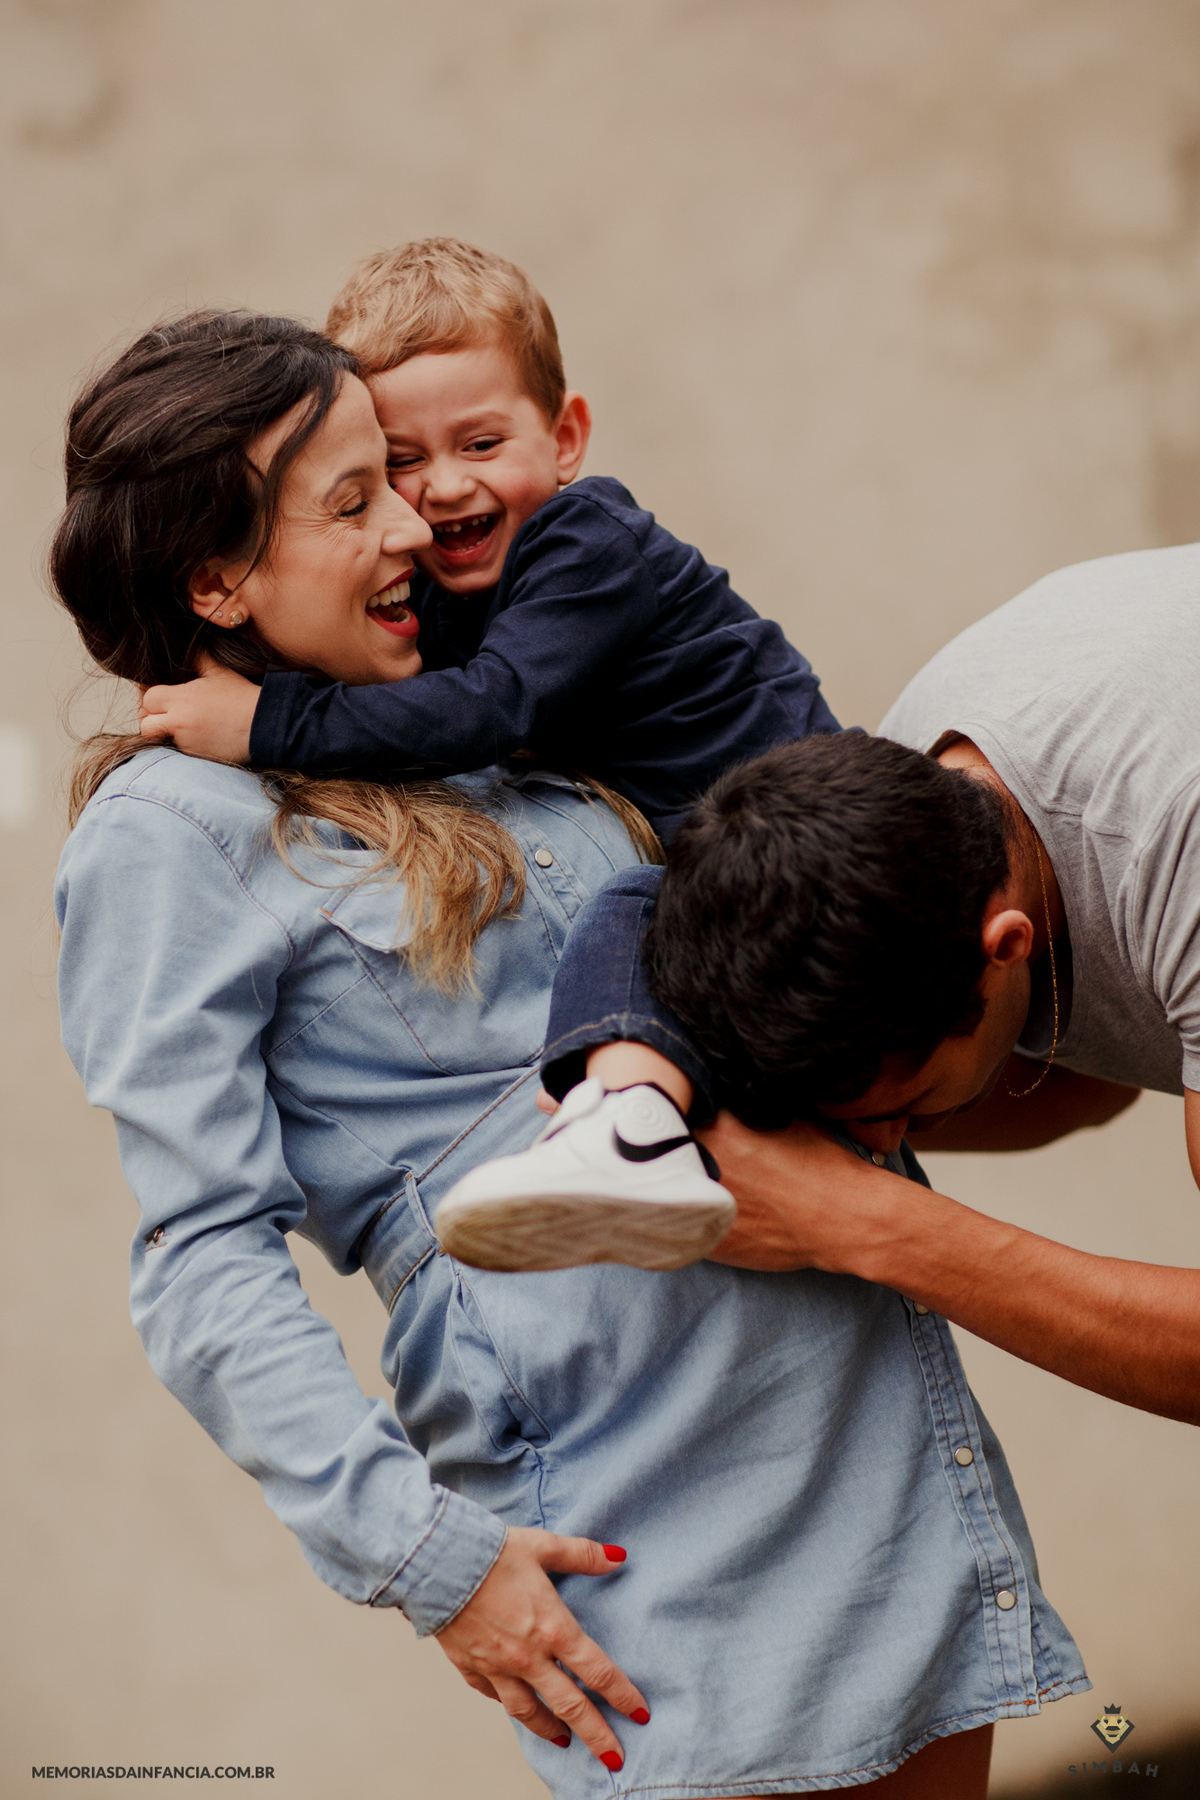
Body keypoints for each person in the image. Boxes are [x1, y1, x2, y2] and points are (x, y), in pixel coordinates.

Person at [53, 307, 1086, 1798]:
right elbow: (202, 1255)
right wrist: (428, 1558)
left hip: (861, 1437)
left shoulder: (480, 704)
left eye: (404, 476)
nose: (418, 523)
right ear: (215, 573)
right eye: (356, 500)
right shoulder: (170, 837)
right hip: (650, 1500)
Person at [136, 236, 841, 1271]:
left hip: (795, 825)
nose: (443, 488)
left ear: (565, 437)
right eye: (400, 465)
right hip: (731, 860)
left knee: (635, 909)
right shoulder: (444, 594)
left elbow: (486, 707)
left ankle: (625, 1128)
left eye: (480, 443)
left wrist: (261, 723)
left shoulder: (585, 543)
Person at [557, 549, 1200, 1430]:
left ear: (1003, 945)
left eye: (906, 1103)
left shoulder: (1173, 841)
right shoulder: (907, 803)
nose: (880, 1143)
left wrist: (867, 1223)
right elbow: (1088, 1085)